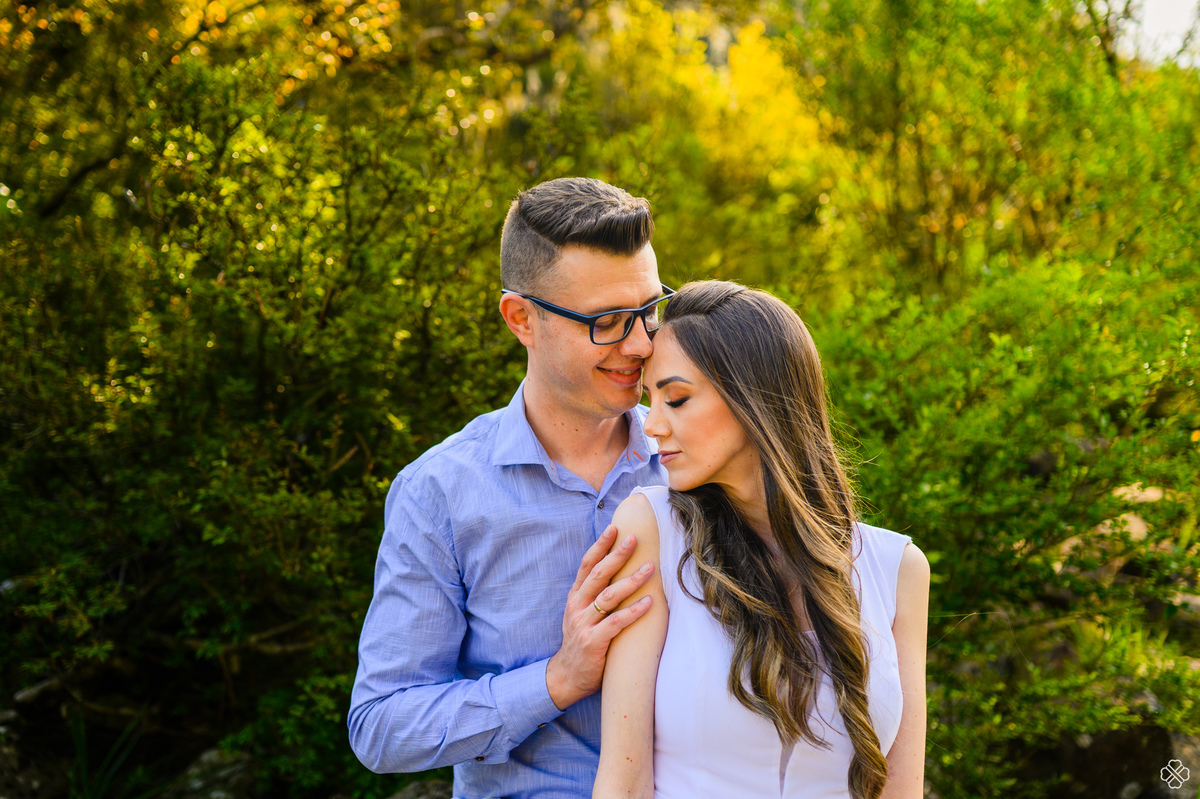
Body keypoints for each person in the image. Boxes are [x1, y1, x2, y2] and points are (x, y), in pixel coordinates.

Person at [347, 177, 673, 797]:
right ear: (521, 319)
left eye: (649, 311)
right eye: (606, 321)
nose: (639, 344)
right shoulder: (439, 494)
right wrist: (556, 680)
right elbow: (381, 726)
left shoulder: (697, 465)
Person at [592, 281, 930, 799]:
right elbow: (624, 783)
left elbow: (899, 791)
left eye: (676, 398)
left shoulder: (897, 567)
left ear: (754, 398)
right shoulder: (652, 530)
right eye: (649, 400)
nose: (653, 424)